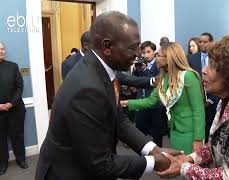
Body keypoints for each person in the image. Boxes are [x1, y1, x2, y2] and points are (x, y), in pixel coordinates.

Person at [35, 11, 180, 180]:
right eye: (132, 47)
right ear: (107, 47)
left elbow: (119, 119)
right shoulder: (88, 89)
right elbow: (100, 164)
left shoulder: (102, 70)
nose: (138, 55)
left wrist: (153, 150)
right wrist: (154, 162)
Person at [158, 35, 229, 179]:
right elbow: (216, 145)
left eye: (212, 66)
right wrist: (190, 158)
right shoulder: (226, 100)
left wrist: (184, 168)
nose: (204, 70)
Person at [121, 42, 205, 154]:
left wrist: (198, 138)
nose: (156, 59)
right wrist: (124, 103)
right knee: (178, 167)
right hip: (174, 131)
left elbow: (198, 109)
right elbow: (150, 101)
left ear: (169, 57)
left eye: (158, 56)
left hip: (190, 132)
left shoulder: (189, 76)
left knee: (189, 167)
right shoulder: (164, 78)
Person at [0, 42, 27, 175]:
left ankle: (21, 159)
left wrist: (10, 103)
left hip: (16, 109)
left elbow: (20, 87)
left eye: (2, 48)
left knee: (18, 135)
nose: (1, 51)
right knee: (1, 138)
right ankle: (3, 163)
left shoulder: (13, 66)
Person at [188, 32, 220, 142]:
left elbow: (219, 80)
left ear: (211, 42)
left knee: (212, 131)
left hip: (215, 100)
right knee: (199, 130)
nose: (201, 44)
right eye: (200, 42)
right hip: (198, 100)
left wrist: (211, 100)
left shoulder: (216, 57)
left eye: (205, 42)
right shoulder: (192, 58)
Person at [132, 41, 164, 147]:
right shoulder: (140, 64)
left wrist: (145, 70)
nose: (146, 55)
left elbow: (156, 81)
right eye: (143, 53)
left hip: (156, 104)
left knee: (157, 133)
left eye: (148, 52)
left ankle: (158, 157)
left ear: (154, 52)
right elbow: (134, 80)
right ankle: (143, 157)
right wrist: (136, 70)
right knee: (139, 131)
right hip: (141, 101)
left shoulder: (159, 64)